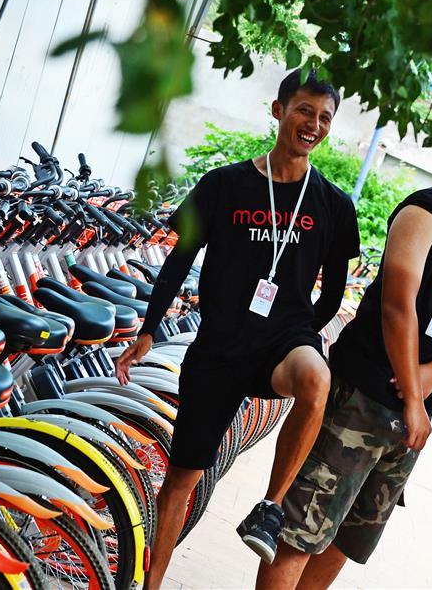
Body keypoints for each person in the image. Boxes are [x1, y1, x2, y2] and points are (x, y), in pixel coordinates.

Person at [257, 113, 432, 589]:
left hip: (417, 408)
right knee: (302, 531)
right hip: (362, 392)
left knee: (351, 538)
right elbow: (396, 307)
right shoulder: (423, 211)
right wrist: (414, 394)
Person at [114, 69, 361, 588]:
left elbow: (335, 291)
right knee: (183, 477)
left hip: (283, 341)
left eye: (324, 117)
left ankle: (270, 509)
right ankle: (152, 582)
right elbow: (179, 260)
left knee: (316, 378)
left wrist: (306, 331)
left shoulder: (335, 205)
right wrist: (149, 329)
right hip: (220, 345)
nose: (312, 124)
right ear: (277, 111)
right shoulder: (225, 184)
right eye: (303, 111)